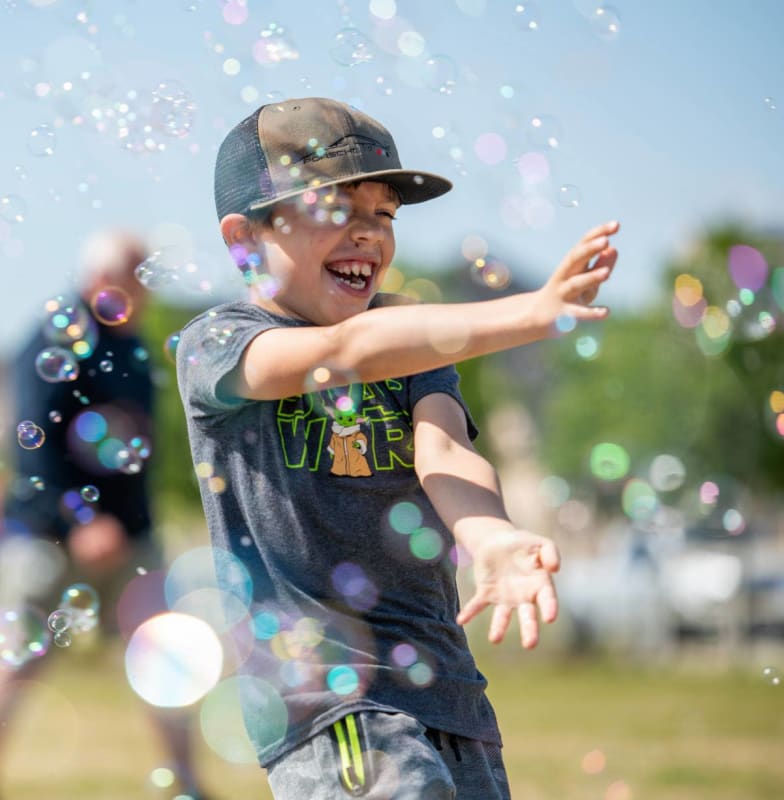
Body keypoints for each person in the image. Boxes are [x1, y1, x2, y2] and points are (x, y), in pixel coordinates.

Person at [175, 97, 620, 799]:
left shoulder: (410, 344)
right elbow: (340, 351)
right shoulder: (219, 346)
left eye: (383, 215)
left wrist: (492, 535)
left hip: (448, 689)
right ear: (243, 239)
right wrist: (528, 313)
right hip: (329, 698)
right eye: (333, 211)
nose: (367, 236)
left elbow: (444, 452)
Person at [0, 229, 210, 800]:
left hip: (130, 533)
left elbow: (137, 450)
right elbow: (33, 446)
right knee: (17, 656)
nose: (144, 287)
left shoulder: (132, 345)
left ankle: (188, 783)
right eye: (134, 273)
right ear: (99, 278)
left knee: (165, 654)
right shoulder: (52, 336)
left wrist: (134, 526)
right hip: (46, 532)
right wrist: (81, 519)